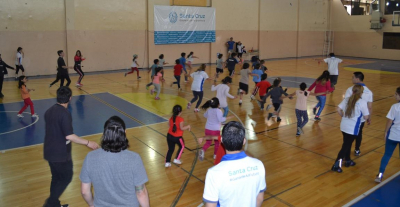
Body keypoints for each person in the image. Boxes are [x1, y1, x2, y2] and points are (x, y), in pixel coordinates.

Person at [43, 86, 98, 207]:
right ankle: (50, 203)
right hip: (60, 155)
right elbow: (69, 136)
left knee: (56, 178)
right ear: (70, 98)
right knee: (66, 177)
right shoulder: (65, 114)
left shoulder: (49, 111)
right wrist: (88, 143)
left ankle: (55, 204)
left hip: (49, 151)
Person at [80, 116, 150, 207]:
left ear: (104, 134)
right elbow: (141, 192)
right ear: (125, 133)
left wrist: (92, 204)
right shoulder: (134, 159)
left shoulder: (90, 157)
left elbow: (84, 191)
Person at [203, 121, 266, 207]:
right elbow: (260, 199)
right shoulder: (259, 165)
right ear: (244, 141)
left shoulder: (213, 173)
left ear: (221, 140)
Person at [331, 84, 370, 173]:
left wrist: (343, 116)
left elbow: (338, 109)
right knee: (345, 146)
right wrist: (363, 119)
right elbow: (366, 116)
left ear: (352, 91)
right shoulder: (362, 102)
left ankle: (348, 160)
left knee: (347, 144)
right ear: (361, 93)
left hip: (344, 125)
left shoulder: (347, 99)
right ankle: (335, 165)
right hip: (353, 128)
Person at [344, 72, 373, 156]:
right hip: (362, 118)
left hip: (351, 117)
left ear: (357, 79)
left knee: (348, 135)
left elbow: (346, 103)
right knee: (359, 133)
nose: (352, 79)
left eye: (353, 77)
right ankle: (357, 149)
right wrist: (369, 118)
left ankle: (346, 152)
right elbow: (370, 107)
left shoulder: (350, 89)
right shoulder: (369, 92)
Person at [375, 87, 400, 183]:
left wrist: (385, 131)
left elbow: (390, 121)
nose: (394, 96)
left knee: (387, 155)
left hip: (393, 135)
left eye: (396, 94)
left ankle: (380, 175)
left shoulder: (395, 107)